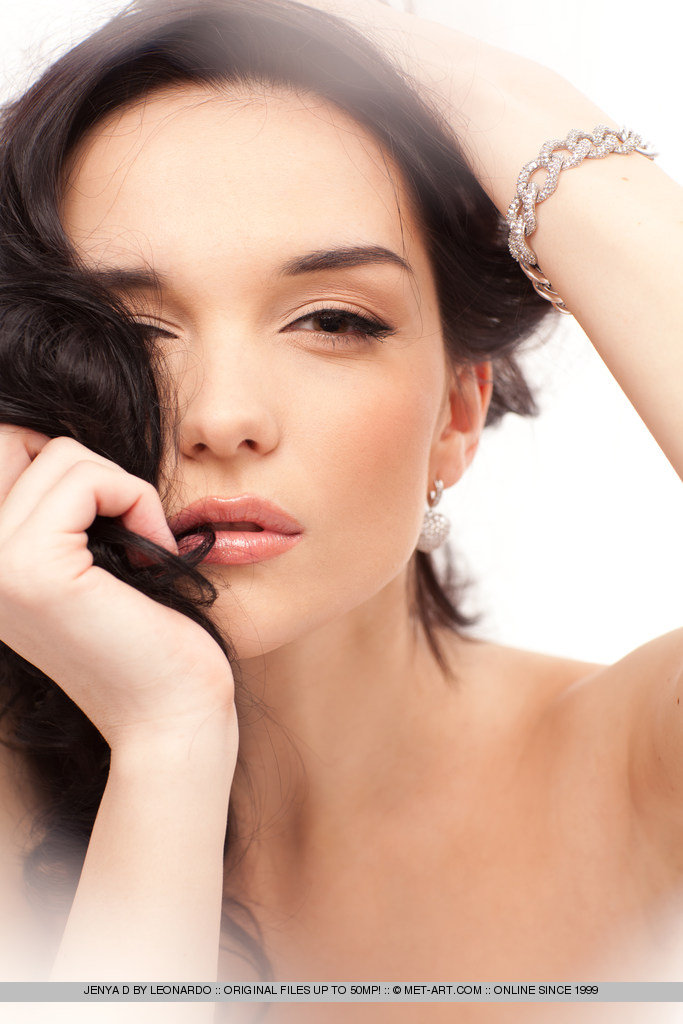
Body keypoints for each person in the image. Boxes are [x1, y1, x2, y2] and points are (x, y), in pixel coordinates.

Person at [0, 0, 681, 1021]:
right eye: (129, 331)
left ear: (457, 412)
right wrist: (167, 741)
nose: (223, 418)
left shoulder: (637, 770)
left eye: (331, 319)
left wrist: (490, 91)